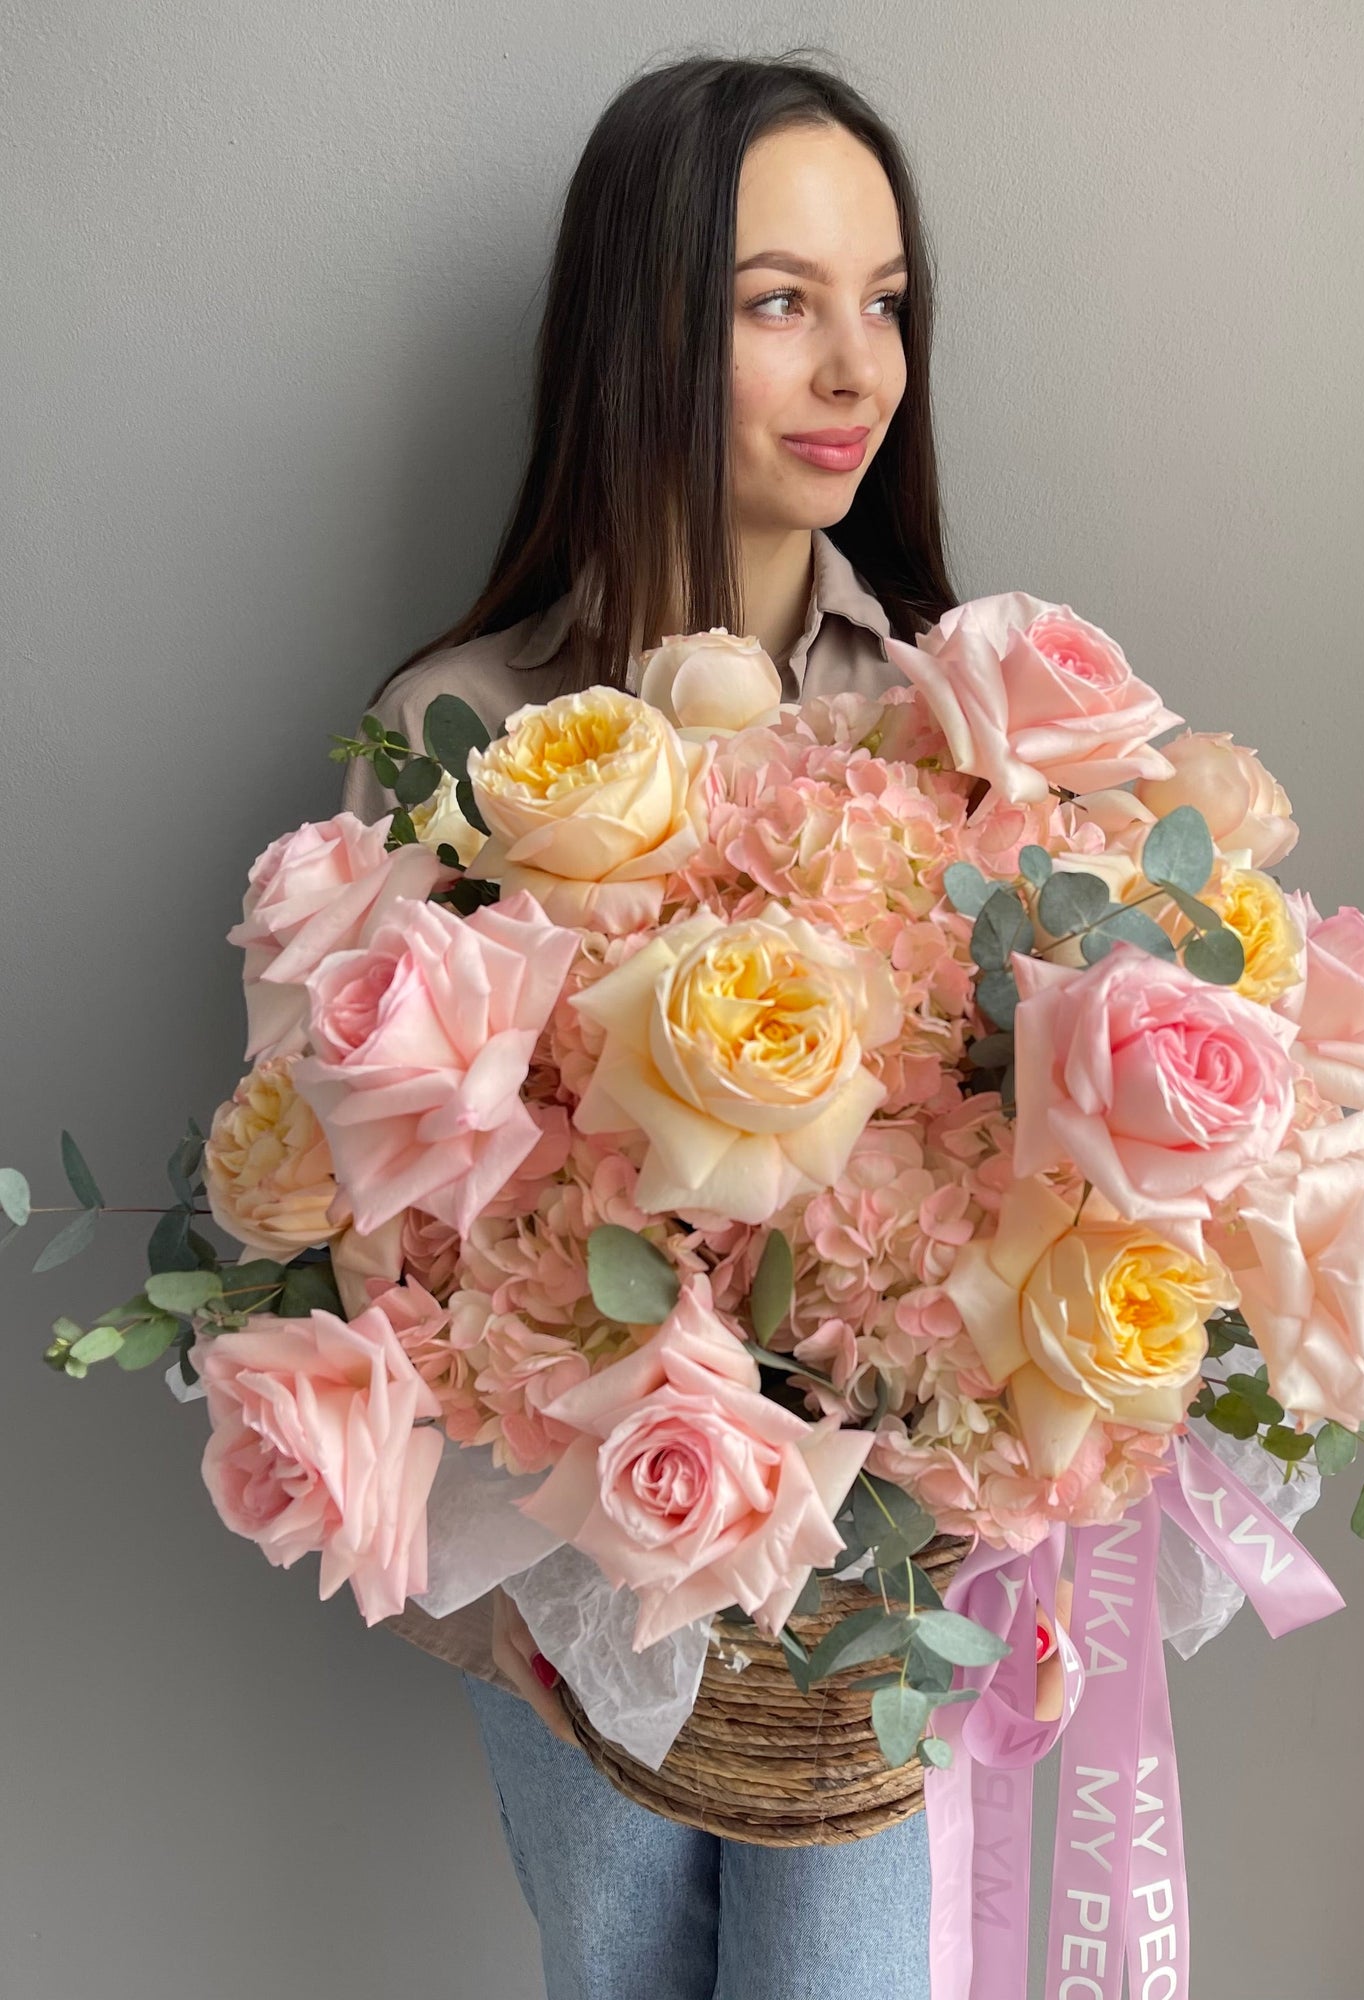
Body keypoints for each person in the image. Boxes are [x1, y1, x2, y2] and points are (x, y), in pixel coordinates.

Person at [340, 51, 960, 2000]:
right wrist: (502, 1604)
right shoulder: (455, 731)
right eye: (780, 303)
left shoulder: (952, 720)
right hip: (572, 1557)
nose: (857, 369)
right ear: (644, 329)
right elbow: (345, 1219)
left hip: (864, 1572)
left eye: (884, 303)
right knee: (617, 1971)